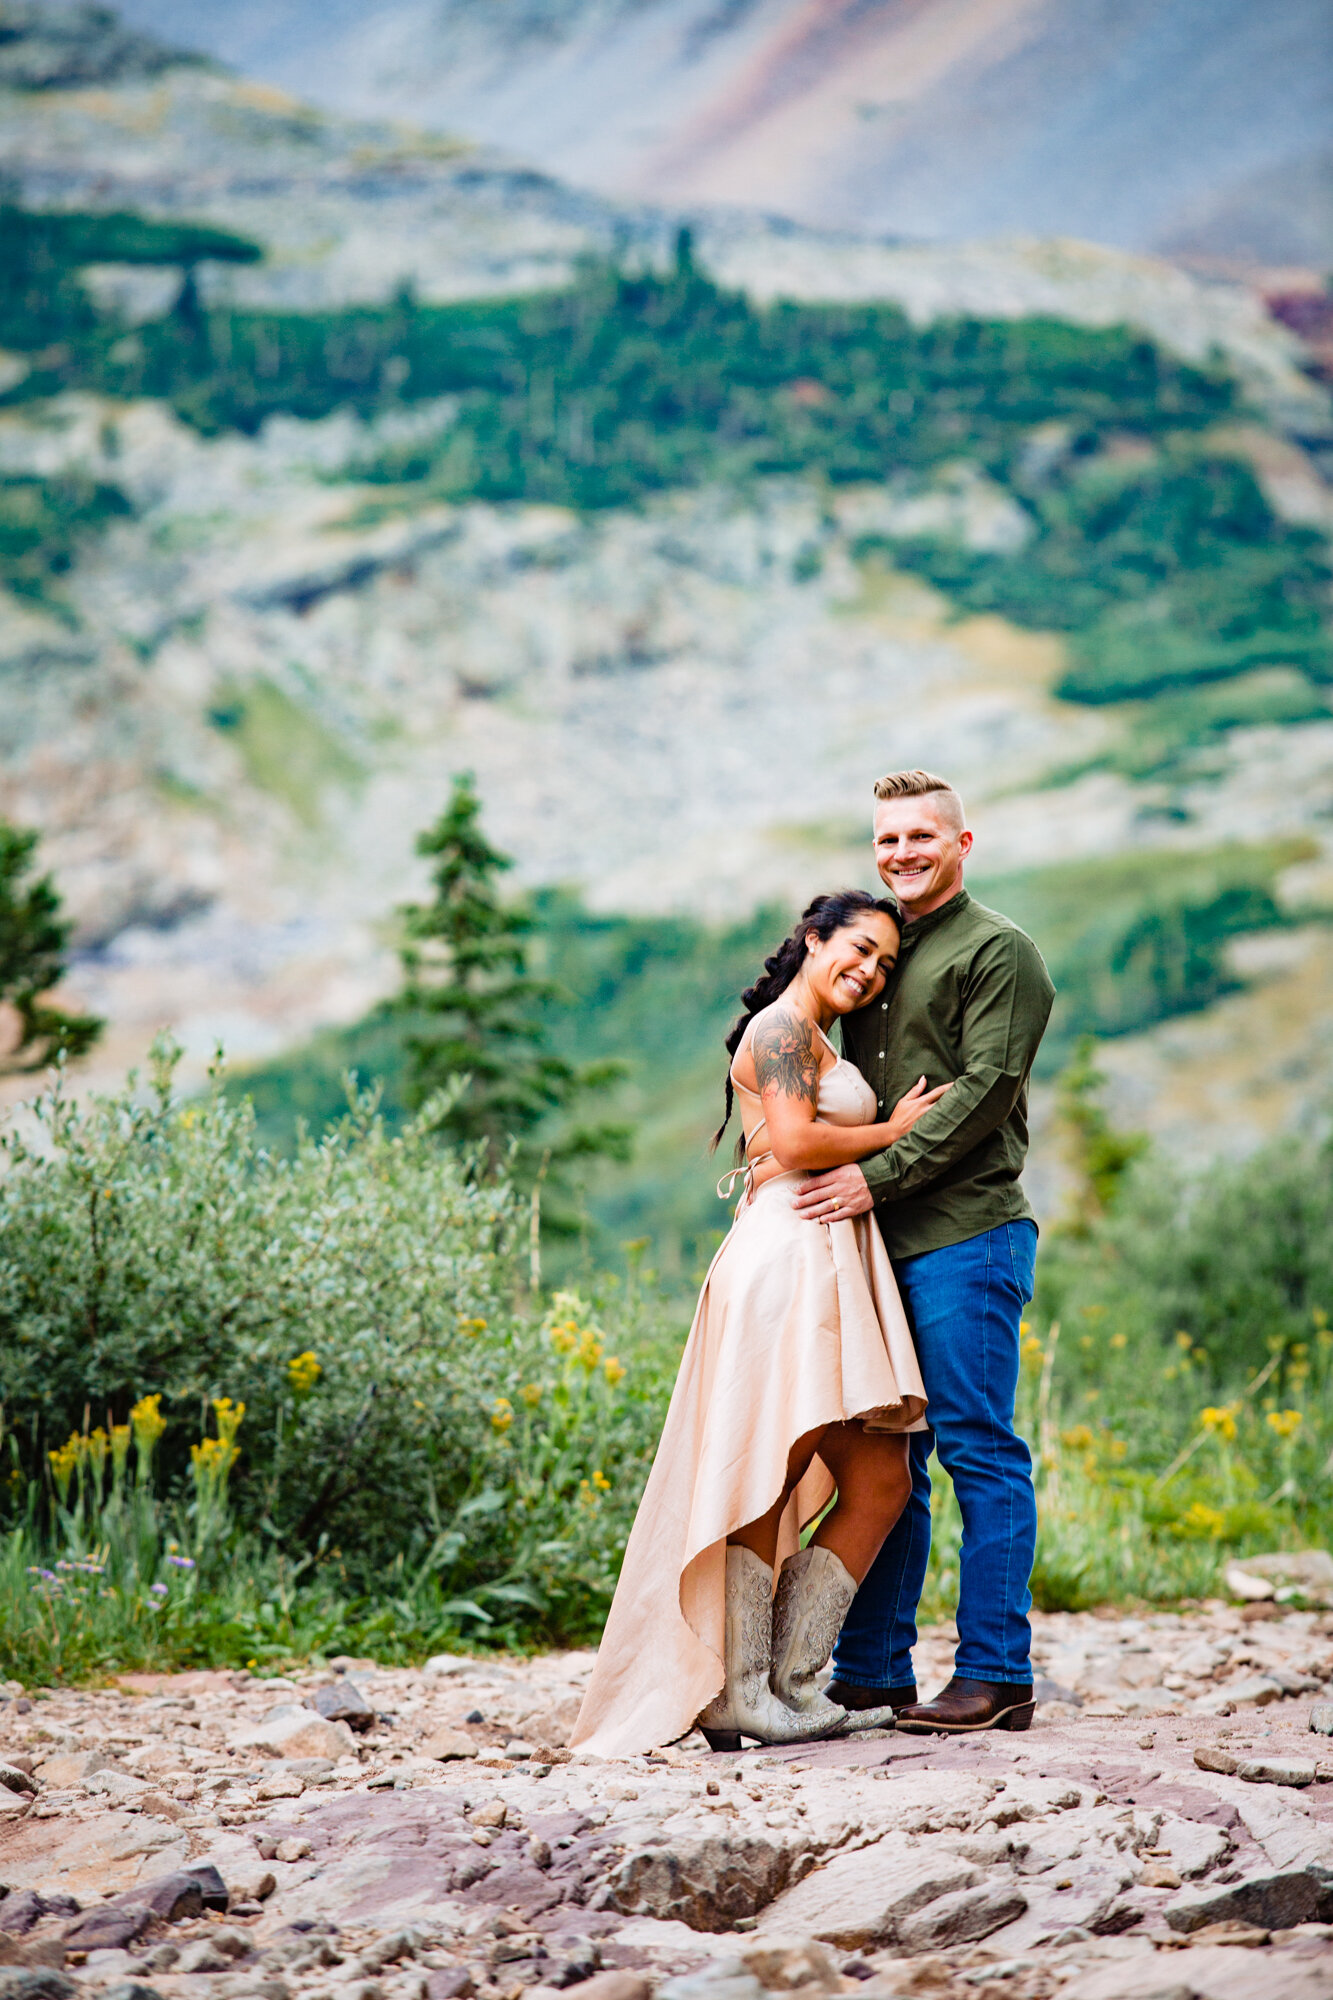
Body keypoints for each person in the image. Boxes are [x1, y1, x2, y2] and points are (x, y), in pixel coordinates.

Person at [571, 891, 951, 1757]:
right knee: (770, 1464)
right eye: (856, 947)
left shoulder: (814, 1037)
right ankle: (740, 1691)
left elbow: (807, 1136)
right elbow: (793, 1137)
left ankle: (787, 1684)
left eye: (884, 963)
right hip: (787, 1253)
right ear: (812, 940)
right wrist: (893, 1129)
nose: (868, 969)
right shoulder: (780, 1030)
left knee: (883, 1475)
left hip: (827, 1251)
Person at [794, 771, 1054, 1735]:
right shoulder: (878, 950)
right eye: (885, 840)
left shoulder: (1001, 952)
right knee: (886, 1458)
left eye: (918, 837)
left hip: (966, 1235)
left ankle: (996, 1673)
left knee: (978, 1450)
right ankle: (872, 1670)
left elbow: (985, 1092)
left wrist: (874, 1178)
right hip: (868, 1249)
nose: (900, 853)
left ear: (961, 842)